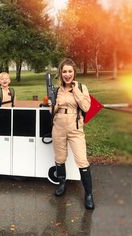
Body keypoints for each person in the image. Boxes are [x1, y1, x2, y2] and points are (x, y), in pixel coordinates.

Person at [51, 58, 94, 210]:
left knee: (82, 160)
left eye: (70, 71)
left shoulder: (81, 87)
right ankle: (62, 184)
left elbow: (86, 107)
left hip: (75, 128)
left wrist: (75, 89)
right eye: (64, 71)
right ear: (60, 73)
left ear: (74, 72)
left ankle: (88, 194)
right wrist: (53, 106)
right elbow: (52, 112)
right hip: (59, 127)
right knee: (60, 158)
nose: (67, 74)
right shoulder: (56, 90)